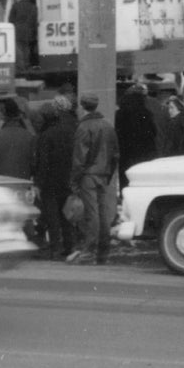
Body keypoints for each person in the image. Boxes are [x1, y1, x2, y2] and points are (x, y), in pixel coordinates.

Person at [67, 94, 119, 265]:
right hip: (103, 174)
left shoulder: (83, 127)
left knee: (92, 214)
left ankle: (89, 251)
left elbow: (79, 158)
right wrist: (108, 174)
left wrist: (74, 180)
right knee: (103, 213)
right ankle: (103, 252)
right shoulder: (107, 126)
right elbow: (115, 154)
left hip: (88, 175)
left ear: (82, 107)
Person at [31, 94, 78, 259]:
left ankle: (55, 248)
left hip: (50, 181)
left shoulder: (46, 135)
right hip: (67, 178)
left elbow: (43, 162)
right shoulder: (71, 131)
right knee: (66, 214)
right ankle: (69, 246)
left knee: (52, 216)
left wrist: (38, 182)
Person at [113, 82, 159, 189]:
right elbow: (153, 132)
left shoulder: (120, 114)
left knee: (126, 180)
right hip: (144, 154)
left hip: (126, 153)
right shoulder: (146, 113)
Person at [0, 98, 35, 179]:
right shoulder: (29, 136)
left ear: (4, 115)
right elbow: (34, 163)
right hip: (23, 182)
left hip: (2, 183)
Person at [8, 0, 39, 74]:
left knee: (19, 49)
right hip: (28, 32)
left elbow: (10, 20)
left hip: (17, 31)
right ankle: (26, 65)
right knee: (26, 49)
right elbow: (34, 21)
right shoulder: (33, 7)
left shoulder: (15, 5)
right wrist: (34, 32)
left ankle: (21, 68)